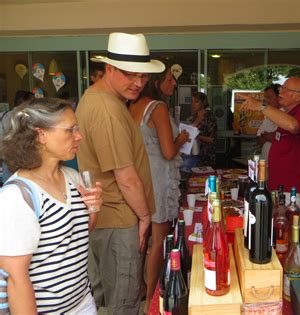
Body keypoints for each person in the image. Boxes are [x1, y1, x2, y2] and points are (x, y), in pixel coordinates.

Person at [76, 32, 163, 314]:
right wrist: (145, 216)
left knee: (106, 299)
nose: (138, 82)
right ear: (109, 69)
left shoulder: (102, 99)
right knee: (124, 302)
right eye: (129, 74)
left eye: (143, 76)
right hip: (120, 217)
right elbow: (126, 177)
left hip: (109, 217)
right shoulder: (107, 109)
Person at [0, 97, 102, 314]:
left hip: (82, 302)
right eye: (70, 130)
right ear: (41, 135)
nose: (79, 136)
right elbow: (17, 280)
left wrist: (93, 209)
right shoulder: (18, 197)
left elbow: (74, 237)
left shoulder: (72, 178)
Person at [129, 65, 189, 313]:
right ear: (156, 81)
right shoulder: (158, 107)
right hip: (158, 178)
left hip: (139, 176)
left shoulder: (133, 107)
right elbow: (168, 151)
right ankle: (152, 294)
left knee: (141, 236)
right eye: (169, 79)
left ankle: (139, 287)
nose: (174, 84)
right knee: (159, 238)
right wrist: (182, 139)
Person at [240, 77, 300, 222]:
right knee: (279, 234)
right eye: (281, 88)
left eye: (286, 89)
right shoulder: (286, 115)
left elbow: (294, 126)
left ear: (299, 96)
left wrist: (261, 106)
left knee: (291, 237)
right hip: (279, 188)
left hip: (294, 191)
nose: (281, 92)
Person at [1, 90, 35, 182]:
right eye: (32, 101)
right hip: (23, 159)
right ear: (25, 101)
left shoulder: (4, 115)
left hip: (6, 158)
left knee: (10, 186)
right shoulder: (25, 118)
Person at [190, 91, 217, 167]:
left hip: (206, 155)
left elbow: (213, 139)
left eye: (196, 102)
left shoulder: (209, 117)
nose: (193, 104)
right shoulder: (194, 116)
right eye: (192, 101)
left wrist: (197, 136)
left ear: (202, 103)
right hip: (194, 153)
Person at [256, 83, 281, 161]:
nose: (266, 100)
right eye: (265, 97)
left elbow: (282, 139)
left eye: (269, 97)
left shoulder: (286, 115)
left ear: (279, 97)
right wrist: (268, 137)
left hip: (279, 161)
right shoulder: (268, 115)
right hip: (265, 161)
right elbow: (258, 138)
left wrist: (271, 137)